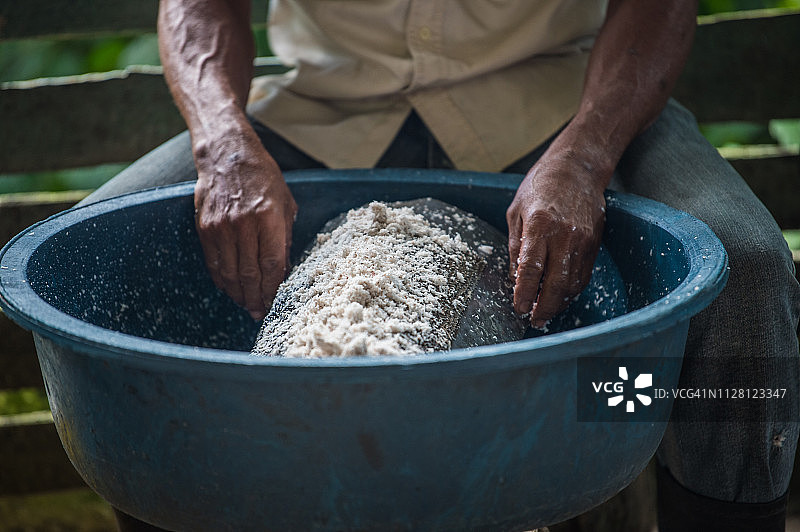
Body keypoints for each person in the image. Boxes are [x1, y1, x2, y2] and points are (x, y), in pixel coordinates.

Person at [84, 0, 800, 530]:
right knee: (102, 264)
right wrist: (221, 142)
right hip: (324, 114)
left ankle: (679, 474)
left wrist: (587, 154)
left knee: (747, 269)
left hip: (569, 107)